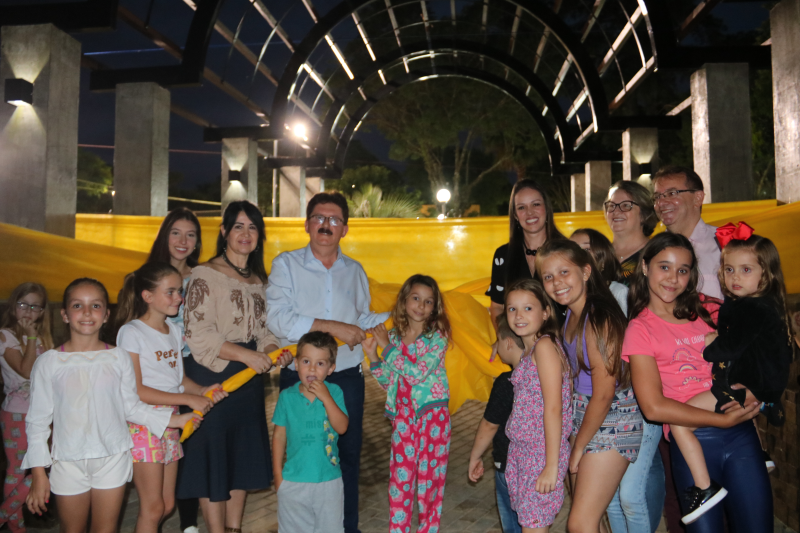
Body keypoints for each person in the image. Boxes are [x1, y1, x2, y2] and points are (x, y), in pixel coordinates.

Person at [22, 278, 197, 533]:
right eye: (77, 306)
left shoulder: (118, 357)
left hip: (113, 459)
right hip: (68, 461)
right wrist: (38, 473)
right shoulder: (49, 363)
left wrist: (175, 420)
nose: (86, 313)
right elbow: (37, 422)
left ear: (106, 315)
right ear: (64, 314)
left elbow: (131, 406)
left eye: (95, 306)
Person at [623, 233, 769, 532]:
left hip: (741, 436)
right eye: (664, 267)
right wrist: (721, 421)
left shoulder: (710, 309)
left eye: (683, 270)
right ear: (645, 267)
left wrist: (755, 391)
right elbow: (653, 408)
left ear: (691, 275)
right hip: (693, 443)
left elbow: (754, 349)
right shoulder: (639, 329)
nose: (673, 278)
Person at [266, 192, 390, 533]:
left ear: (345, 230)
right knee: (301, 451)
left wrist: (403, 315)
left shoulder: (355, 271)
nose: (326, 225)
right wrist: (333, 327)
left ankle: (346, 527)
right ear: (306, 225)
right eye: (319, 218)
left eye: (334, 220)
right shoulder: (285, 265)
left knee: (346, 455)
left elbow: (363, 319)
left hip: (346, 374)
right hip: (299, 375)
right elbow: (278, 320)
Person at [178, 201, 291, 533]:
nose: (246, 234)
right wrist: (247, 356)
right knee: (214, 458)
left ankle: (234, 528)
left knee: (240, 457)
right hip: (213, 377)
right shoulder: (205, 274)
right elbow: (198, 335)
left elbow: (265, 331)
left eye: (253, 227)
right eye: (238, 227)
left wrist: (273, 350)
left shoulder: (259, 280)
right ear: (224, 232)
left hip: (248, 382)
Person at [667, 231, 792, 524]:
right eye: (729, 269)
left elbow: (728, 348)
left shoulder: (752, 307)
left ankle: (704, 488)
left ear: (767, 274)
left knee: (678, 421)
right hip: (755, 383)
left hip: (744, 385)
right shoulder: (754, 302)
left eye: (746, 270)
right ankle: (759, 454)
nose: (735, 277)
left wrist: (711, 343)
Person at [536, 240, 643, 533]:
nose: (557, 283)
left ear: (585, 272)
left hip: (612, 419)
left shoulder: (599, 318)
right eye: (548, 276)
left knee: (580, 524)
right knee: (589, 518)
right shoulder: (571, 312)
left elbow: (605, 392)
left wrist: (579, 446)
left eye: (564, 272)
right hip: (583, 414)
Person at [115, 262, 228, 533]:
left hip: (172, 420)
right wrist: (189, 401)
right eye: (171, 292)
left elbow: (177, 380)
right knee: (152, 507)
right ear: (147, 296)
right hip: (144, 422)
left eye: (179, 291)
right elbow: (136, 390)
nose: (179, 297)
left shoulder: (174, 332)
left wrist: (200, 391)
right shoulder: (131, 333)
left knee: (166, 505)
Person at [569, 230, 666, 532]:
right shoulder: (574, 305)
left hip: (628, 404)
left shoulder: (614, 298)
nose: (577, 255)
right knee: (606, 503)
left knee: (630, 496)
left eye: (585, 249)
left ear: (598, 257)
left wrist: (578, 444)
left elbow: (613, 378)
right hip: (594, 411)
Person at [363, 274, 451, 533]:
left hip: (432, 420)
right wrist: (373, 357)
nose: (421, 306)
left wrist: (386, 349)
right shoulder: (393, 336)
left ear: (434, 307)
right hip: (402, 421)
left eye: (428, 301)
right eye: (416, 298)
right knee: (399, 485)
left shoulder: (437, 338)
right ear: (404, 300)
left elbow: (416, 373)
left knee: (429, 486)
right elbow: (390, 382)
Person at [145, 207, 203, 533]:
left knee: (189, 445)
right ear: (165, 235)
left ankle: (189, 522)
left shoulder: (202, 278)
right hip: (156, 376)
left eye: (191, 234)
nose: (183, 241)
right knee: (162, 453)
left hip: (191, 367)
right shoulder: (144, 278)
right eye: (176, 233)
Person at [502, 279, 572, 533]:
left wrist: (551, 465)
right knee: (530, 523)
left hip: (540, 453)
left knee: (534, 526)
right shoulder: (530, 350)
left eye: (528, 308)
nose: (518, 315)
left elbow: (554, 408)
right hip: (524, 451)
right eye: (512, 309)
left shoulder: (544, 347)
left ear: (545, 312)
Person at [272, 332, 349, 533]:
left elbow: (342, 427)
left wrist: (326, 398)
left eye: (320, 363)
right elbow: (279, 437)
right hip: (293, 482)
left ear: (331, 368)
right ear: (296, 364)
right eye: (306, 361)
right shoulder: (286, 397)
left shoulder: (335, 392)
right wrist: (278, 477)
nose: (312, 368)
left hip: (329, 482)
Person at [0, 283, 54, 532]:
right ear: (13, 306)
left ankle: (12, 524)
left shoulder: (44, 338)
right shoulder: (5, 335)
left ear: (42, 311)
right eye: (23, 304)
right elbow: (25, 370)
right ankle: (12, 523)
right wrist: (31, 338)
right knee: (17, 469)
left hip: (44, 412)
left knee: (45, 465)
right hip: (17, 412)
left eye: (35, 306)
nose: (28, 312)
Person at [468, 315, 524, 533]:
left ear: (508, 343)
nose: (496, 347)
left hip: (507, 466)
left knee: (512, 525)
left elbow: (489, 425)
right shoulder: (544, 377)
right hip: (536, 465)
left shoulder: (505, 382)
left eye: (498, 341)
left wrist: (475, 456)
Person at [486, 179, 567, 326]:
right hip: (519, 343)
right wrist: (506, 339)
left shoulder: (567, 250)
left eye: (536, 204)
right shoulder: (503, 255)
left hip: (564, 341)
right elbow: (497, 307)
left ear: (547, 208)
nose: (530, 212)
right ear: (515, 215)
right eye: (521, 207)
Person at [652, 166, 723, 299]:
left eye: (672, 193)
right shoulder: (653, 249)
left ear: (698, 198)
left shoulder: (724, 244)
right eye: (657, 197)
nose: (661, 202)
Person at [604, 180, 658, 283]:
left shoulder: (656, 254)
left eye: (626, 206)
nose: (616, 211)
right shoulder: (598, 254)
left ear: (644, 214)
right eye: (611, 205)